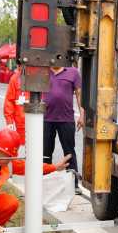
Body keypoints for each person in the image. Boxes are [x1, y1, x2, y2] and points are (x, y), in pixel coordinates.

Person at [43, 64, 84, 192]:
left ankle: (74, 184)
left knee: (69, 152)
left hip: (66, 119)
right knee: (45, 152)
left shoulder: (73, 72)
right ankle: (44, 181)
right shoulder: (43, 71)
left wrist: (82, 115)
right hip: (46, 119)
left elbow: (79, 94)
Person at [4, 66, 26, 139]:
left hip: (39, 121)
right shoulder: (15, 78)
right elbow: (9, 101)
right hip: (21, 123)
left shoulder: (40, 76)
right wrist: (9, 121)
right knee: (22, 147)